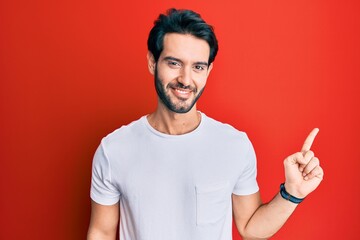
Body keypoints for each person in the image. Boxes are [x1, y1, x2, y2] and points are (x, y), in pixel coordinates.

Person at [87, 8, 324, 240]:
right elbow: (102, 232)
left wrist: (292, 193)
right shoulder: (114, 149)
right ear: (152, 62)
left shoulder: (234, 145)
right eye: (174, 63)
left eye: (198, 67)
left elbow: (250, 228)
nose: (186, 79)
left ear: (208, 71)